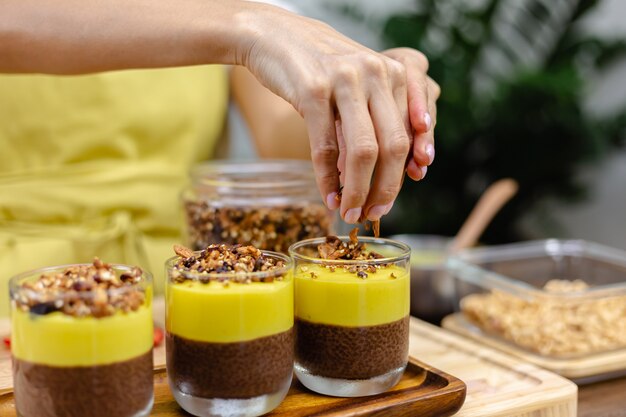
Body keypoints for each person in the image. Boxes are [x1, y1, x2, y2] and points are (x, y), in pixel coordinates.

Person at [0, 0, 439, 314]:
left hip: (185, 288)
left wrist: (363, 98)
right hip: (17, 290)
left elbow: (285, 138)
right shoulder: (238, 17)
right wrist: (245, 23)